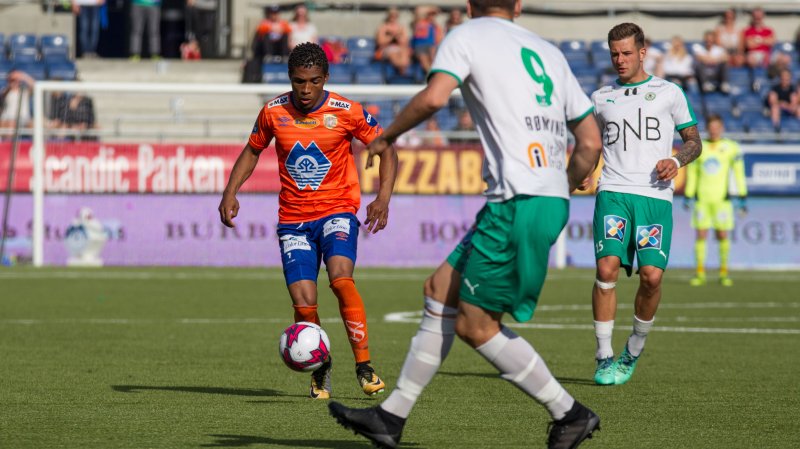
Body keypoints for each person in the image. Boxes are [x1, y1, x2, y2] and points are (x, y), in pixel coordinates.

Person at [327, 1, 603, 448]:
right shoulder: (548, 51)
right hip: (541, 197)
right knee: (439, 290)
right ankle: (390, 417)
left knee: (476, 326)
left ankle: (569, 412)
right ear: (518, 5)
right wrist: (558, 188)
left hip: (517, 199)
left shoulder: (467, 35)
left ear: (470, 5)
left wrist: (386, 136)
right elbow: (589, 142)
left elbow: (435, 97)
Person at [218, 43, 398, 400]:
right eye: (299, 81)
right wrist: (230, 190)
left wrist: (383, 197)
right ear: (290, 79)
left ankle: (364, 365)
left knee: (341, 278)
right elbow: (253, 149)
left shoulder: (347, 111)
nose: (306, 89)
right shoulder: (273, 111)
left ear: (325, 79)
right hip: (294, 220)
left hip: (338, 210)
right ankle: (321, 368)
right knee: (304, 303)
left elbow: (386, 148)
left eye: (314, 81)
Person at [589, 23, 702, 387]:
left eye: (626, 53)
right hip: (614, 192)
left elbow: (693, 141)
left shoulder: (669, 92)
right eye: (614, 54)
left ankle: (633, 348)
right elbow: (591, 145)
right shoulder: (600, 97)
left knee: (651, 278)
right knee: (607, 269)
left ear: (642, 52)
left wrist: (678, 160)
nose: (619, 60)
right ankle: (604, 355)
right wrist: (584, 171)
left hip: (654, 196)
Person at [684, 114, 747, 287]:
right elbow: (693, 173)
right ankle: (700, 273)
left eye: (717, 127)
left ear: (722, 128)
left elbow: (739, 173)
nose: (714, 131)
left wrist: (742, 196)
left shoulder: (731, 148)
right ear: (707, 129)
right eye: (711, 128)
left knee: (722, 235)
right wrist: (689, 195)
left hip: (722, 200)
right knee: (701, 235)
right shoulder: (699, 148)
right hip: (703, 199)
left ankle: (723, 272)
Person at [374, 7, 412, 75]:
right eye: (391, 15)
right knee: (393, 54)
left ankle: (403, 74)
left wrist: (397, 37)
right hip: (386, 49)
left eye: (395, 15)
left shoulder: (401, 27)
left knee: (405, 54)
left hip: (399, 48)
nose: (393, 17)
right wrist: (391, 37)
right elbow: (380, 42)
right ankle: (402, 73)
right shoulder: (383, 27)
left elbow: (405, 42)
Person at [410, 6, 442, 74]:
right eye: (429, 15)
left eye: (433, 15)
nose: (431, 17)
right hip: (419, 45)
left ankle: (434, 75)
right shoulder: (420, 22)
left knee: (433, 56)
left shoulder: (436, 26)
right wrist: (429, 9)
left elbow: (439, 39)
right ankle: (430, 75)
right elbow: (418, 10)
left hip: (431, 46)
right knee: (423, 59)